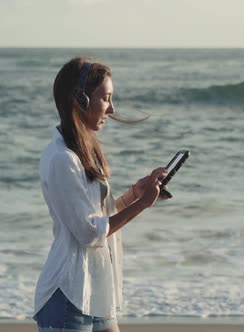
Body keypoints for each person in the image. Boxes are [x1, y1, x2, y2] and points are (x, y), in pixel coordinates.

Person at [33, 56, 168, 332]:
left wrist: (134, 194)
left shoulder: (83, 154)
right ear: (80, 100)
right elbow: (89, 232)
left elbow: (96, 217)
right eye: (106, 98)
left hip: (97, 290)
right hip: (69, 295)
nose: (112, 108)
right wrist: (141, 205)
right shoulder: (62, 159)